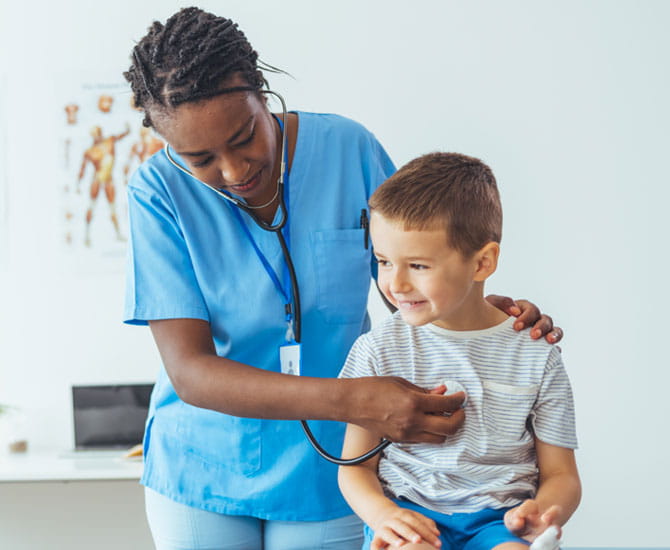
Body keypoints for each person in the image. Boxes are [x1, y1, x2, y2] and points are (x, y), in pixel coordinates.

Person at [122, 7, 563, 550]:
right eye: (200, 158)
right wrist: (352, 400)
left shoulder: (349, 150)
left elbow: (416, 268)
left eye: (244, 137)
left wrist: (481, 312)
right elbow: (191, 372)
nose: (234, 171)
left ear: (263, 93)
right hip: (205, 467)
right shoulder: (156, 192)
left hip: (339, 462)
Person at [338, 152, 581, 550]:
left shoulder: (537, 355)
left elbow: (562, 475)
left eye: (417, 265)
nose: (394, 283)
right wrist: (384, 517)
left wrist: (543, 510)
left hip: (500, 522)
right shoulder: (376, 350)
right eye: (383, 261)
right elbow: (356, 469)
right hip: (410, 514)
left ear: (482, 262)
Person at [77, 123, 130, 246]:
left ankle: (118, 234)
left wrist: (128, 129)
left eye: (98, 133)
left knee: (112, 207)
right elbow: (82, 169)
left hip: (108, 180)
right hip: (97, 179)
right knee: (92, 206)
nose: (97, 136)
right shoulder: (90, 151)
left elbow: (121, 136)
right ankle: (86, 235)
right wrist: (78, 184)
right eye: (95, 134)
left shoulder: (109, 141)